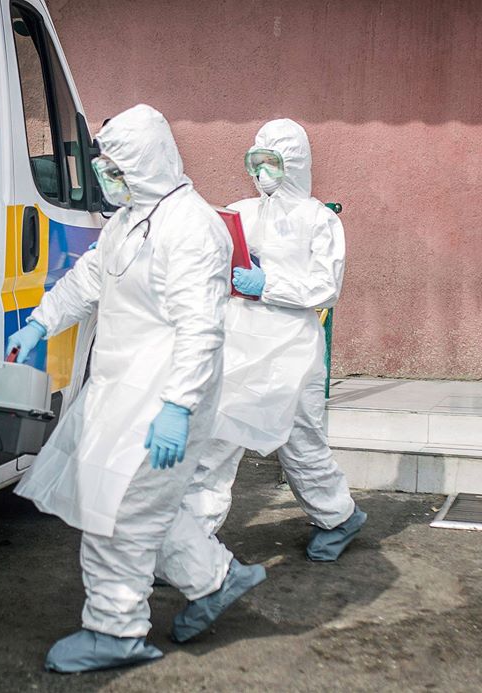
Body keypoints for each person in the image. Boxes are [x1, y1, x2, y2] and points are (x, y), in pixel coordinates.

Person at [9, 104, 266, 674]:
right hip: (122, 392)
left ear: (146, 163)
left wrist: (177, 407)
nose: (106, 177)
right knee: (148, 506)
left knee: (119, 514)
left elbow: (200, 330)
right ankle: (217, 578)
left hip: (165, 398)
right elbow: (89, 278)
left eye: (115, 167)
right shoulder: (129, 219)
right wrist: (41, 322)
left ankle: (115, 630)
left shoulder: (192, 228)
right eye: (104, 166)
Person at [154, 118, 366, 643]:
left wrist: (268, 283)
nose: (262, 172)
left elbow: (325, 285)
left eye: (272, 162)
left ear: (294, 164)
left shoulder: (319, 221)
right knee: (217, 439)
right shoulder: (241, 212)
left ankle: (337, 516)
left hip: (292, 349)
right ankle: (188, 548)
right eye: (257, 162)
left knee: (301, 442)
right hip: (243, 344)